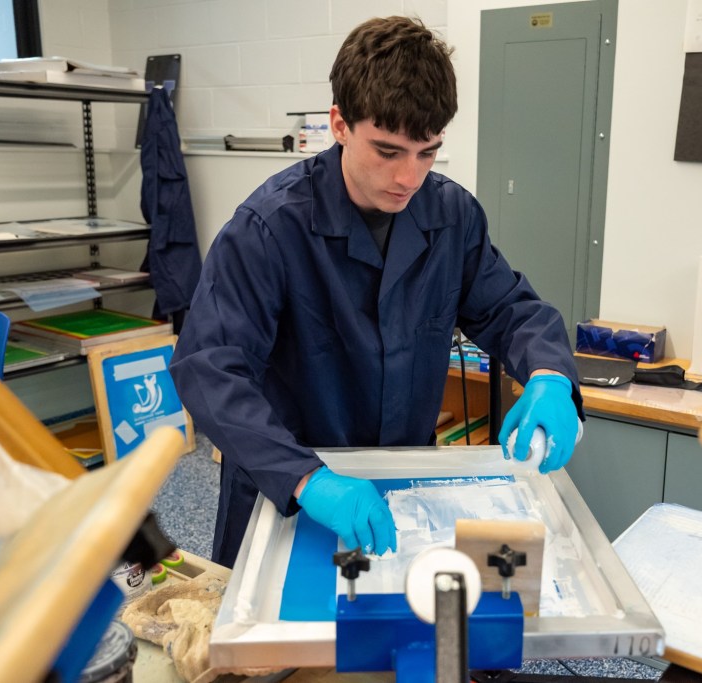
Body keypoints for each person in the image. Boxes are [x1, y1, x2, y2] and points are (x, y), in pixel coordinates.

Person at [170, 16, 584, 567]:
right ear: (340, 124)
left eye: (427, 152)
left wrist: (551, 375)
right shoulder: (269, 228)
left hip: (404, 486)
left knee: (403, 615)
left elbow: (510, 309)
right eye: (388, 152)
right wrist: (307, 478)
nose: (409, 177)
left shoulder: (452, 216)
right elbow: (208, 368)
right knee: (283, 619)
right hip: (292, 485)